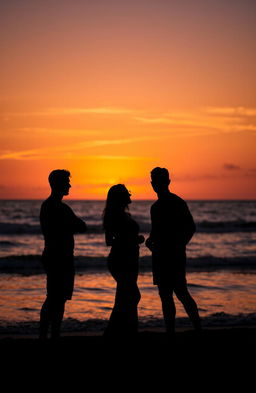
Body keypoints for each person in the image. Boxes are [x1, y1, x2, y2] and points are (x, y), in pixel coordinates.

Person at [145, 167, 201, 335]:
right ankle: (171, 331)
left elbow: (191, 228)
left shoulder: (177, 203)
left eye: (160, 181)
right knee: (166, 294)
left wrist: (179, 245)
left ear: (167, 182)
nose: (158, 185)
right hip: (161, 255)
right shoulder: (155, 207)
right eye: (155, 181)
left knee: (180, 292)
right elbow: (156, 231)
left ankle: (197, 328)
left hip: (173, 255)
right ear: (152, 184)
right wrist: (150, 241)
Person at [39, 169, 87, 339]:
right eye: (66, 182)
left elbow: (80, 226)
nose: (69, 185)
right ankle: (50, 334)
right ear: (58, 184)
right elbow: (81, 226)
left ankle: (49, 334)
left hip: (55, 255)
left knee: (56, 298)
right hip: (59, 257)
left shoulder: (49, 206)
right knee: (55, 299)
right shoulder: (59, 207)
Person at [103, 184, 144, 337]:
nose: (130, 196)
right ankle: (121, 332)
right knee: (132, 296)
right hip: (121, 260)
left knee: (125, 298)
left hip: (131, 259)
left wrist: (133, 240)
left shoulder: (124, 214)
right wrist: (133, 239)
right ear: (120, 197)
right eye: (127, 194)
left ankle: (124, 333)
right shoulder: (114, 215)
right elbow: (109, 241)